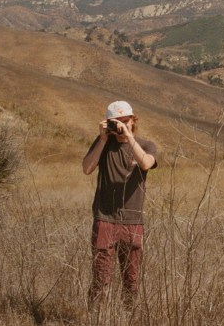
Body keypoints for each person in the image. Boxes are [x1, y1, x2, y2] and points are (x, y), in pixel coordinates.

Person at [82, 100, 158, 309]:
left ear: (134, 120)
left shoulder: (146, 145)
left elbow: (146, 163)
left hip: (133, 221)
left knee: (131, 280)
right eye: (117, 122)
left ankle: (128, 316)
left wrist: (129, 137)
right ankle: (96, 318)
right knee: (100, 278)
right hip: (105, 218)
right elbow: (87, 168)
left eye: (126, 121)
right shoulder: (103, 144)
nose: (122, 126)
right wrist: (102, 138)